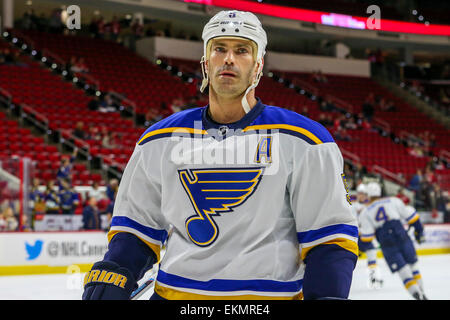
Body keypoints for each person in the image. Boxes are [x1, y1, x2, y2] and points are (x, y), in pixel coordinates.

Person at [82, 10, 358, 300]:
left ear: (258, 65)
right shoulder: (158, 139)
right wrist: (115, 270)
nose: (229, 59)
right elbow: (137, 228)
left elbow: (330, 238)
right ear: (205, 62)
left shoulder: (306, 140)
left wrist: (328, 294)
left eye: (242, 50)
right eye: (219, 49)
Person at [359, 182, 427, 300]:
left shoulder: (366, 212)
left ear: (368, 195)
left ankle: (418, 296)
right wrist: (419, 231)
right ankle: (423, 294)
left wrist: (358, 250)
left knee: (403, 271)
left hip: (386, 241)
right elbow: (412, 216)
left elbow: (367, 237)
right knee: (413, 267)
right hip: (401, 234)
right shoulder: (393, 200)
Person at [352, 183, 383, 289]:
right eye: (360, 193)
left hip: (365, 237)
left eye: (363, 194)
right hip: (355, 238)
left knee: (372, 256)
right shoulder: (352, 205)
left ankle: (374, 279)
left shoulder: (370, 206)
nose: (361, 195)